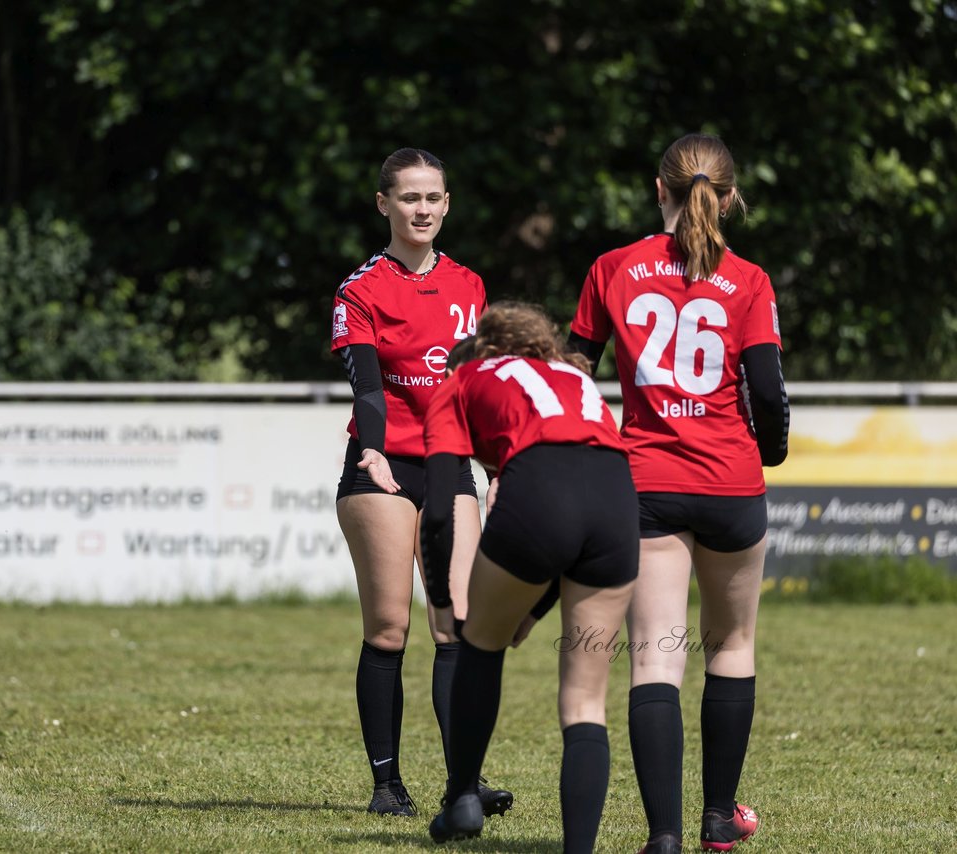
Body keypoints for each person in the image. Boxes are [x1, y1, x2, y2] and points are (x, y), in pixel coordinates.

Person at [567, 133, 790, 854]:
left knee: (656, 657)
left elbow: (573, 379)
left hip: (645, 485)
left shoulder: (610, 268)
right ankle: (718, 820)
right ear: (728, 198)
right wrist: (772, 452)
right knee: (732, 644)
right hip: (730, 483)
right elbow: (767, 391)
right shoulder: (749, 279)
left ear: (657, 188)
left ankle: (662, 837)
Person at [331, 147, 513, 818]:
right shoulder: (361, 289)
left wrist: (498, 467)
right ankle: (386, 785)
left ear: (446, 203)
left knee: (455, 628)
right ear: (384, 204)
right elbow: (368, 390)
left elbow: (481, 387)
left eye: (433, 197)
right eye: (409, 197)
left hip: (448, 467)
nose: (423, 209)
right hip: (379, 468)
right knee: (388, 627)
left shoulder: (469, 285)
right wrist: (374, 452)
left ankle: (462, 782)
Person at [421, 301, 638, 852]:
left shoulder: (462, 378)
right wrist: (535, 610)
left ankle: (463, 797)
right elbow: (582, 517)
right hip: (618, 498)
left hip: (541, 486)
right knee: (586, 703)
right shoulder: (574, 375)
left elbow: (443, 506)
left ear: (481, 347)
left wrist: (444, 597)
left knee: (479, 643)